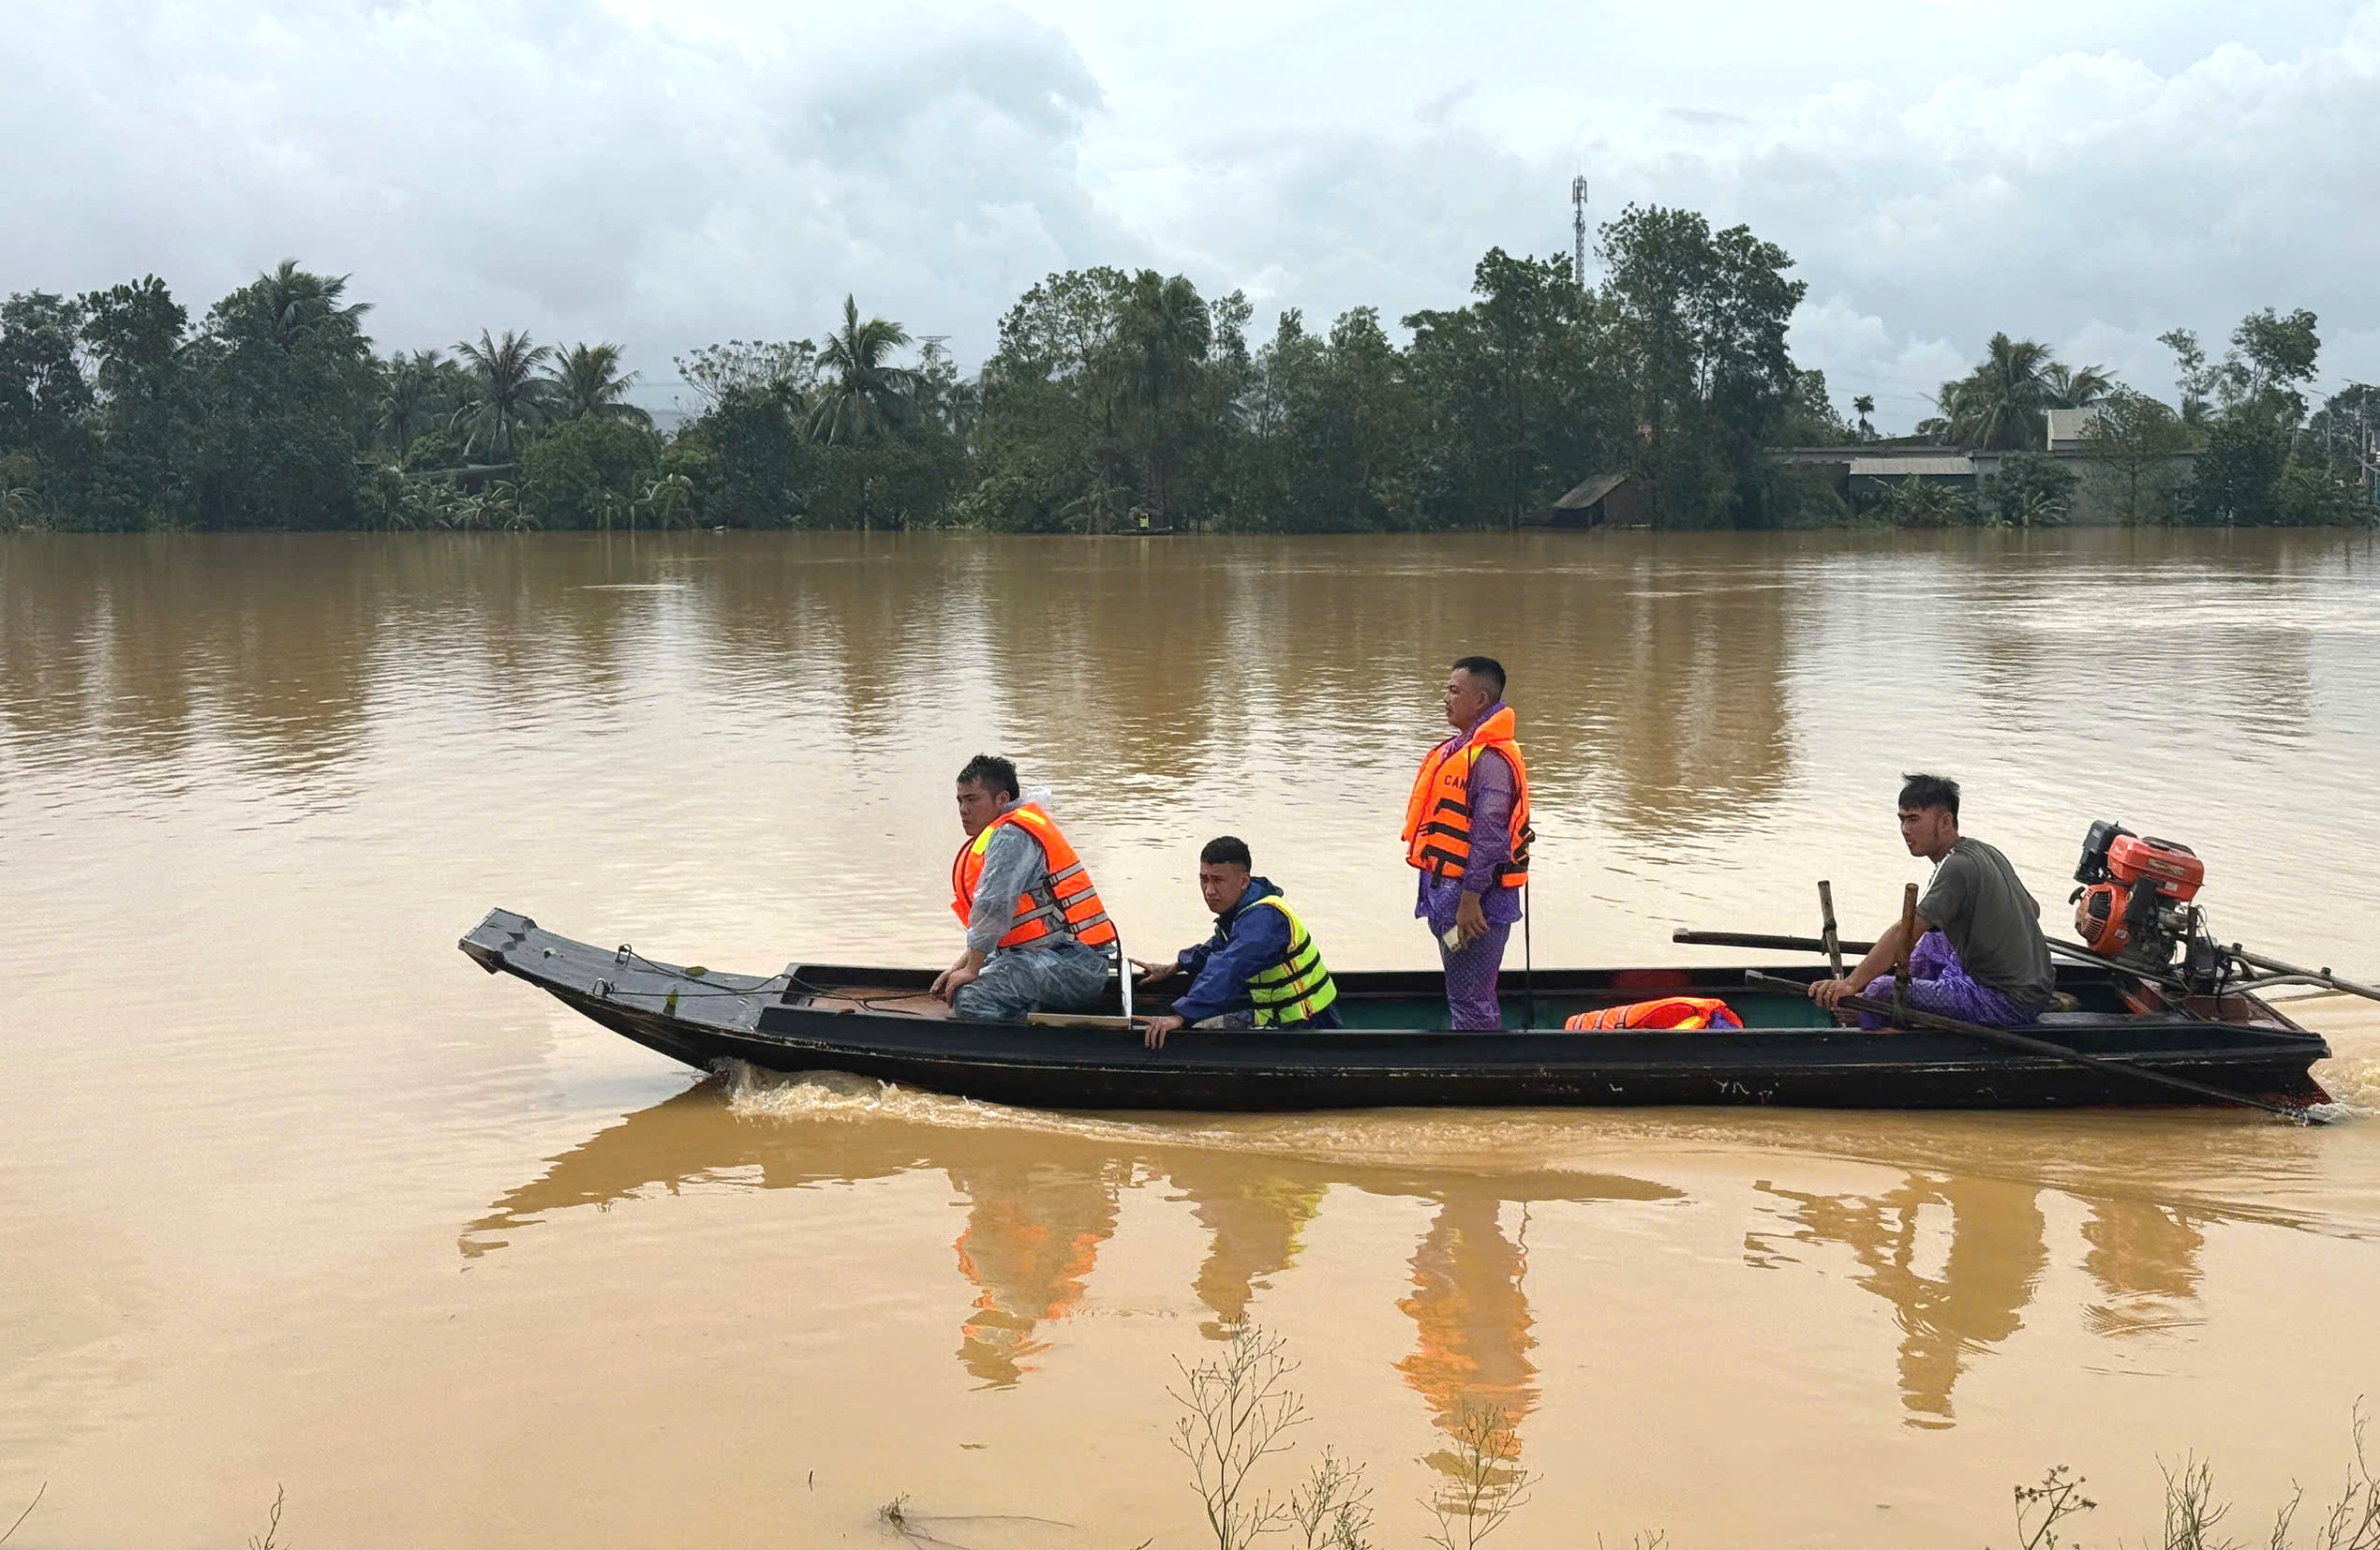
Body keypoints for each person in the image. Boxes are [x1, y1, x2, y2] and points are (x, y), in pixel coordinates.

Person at [1809, 773, 2056, 1028]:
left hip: (2005, 1002)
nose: (1905, 829)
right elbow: (2032, 909)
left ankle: (1880, 1022)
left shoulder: (1955, 866)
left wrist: (1851, 983)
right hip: (2032, 987)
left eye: (1914, 819)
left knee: (1881, 990)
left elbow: (1904, 932)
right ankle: (1918, 996)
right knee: (1933, 942)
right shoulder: (1986, 850)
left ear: (1946, 822)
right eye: (1902, 819)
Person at [932, 753, 1118, 1021]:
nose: (963, 809)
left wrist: (972, 971)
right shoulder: (1009, 828)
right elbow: (998, 926)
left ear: (1002, 799)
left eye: (972, 799)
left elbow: (993, 907)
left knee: (971, 999)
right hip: (1055, 957)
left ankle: (1038, 1039)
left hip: (1073, 965)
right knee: (969, 981)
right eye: (960, 800)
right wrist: (959, 968)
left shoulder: (1011, 836)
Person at [1402, 655, 1533, 1031]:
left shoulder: (1489, 760)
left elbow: (1490, 837)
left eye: (1454, 691)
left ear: (1481, 699)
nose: (1445, 698)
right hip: (1447, 894)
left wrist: (1470, 900)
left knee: (1470, 999)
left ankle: (1481, 1071)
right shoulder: (1460, 748)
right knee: (1465, 991)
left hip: (1474, 904)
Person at [1135, 837, 1342, 1050]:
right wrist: (1175, 967)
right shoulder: (1243, 909)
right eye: (1204, 879)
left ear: (1244, 881)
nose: (1209, 890)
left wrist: (1181, 1016)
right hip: (1272, 1015)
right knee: (1201, 1030)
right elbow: (1220, 945)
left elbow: (1230, 966)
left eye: (1218, 880)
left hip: (1307, 1026)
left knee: (1195, 1040)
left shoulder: (1264, 919)